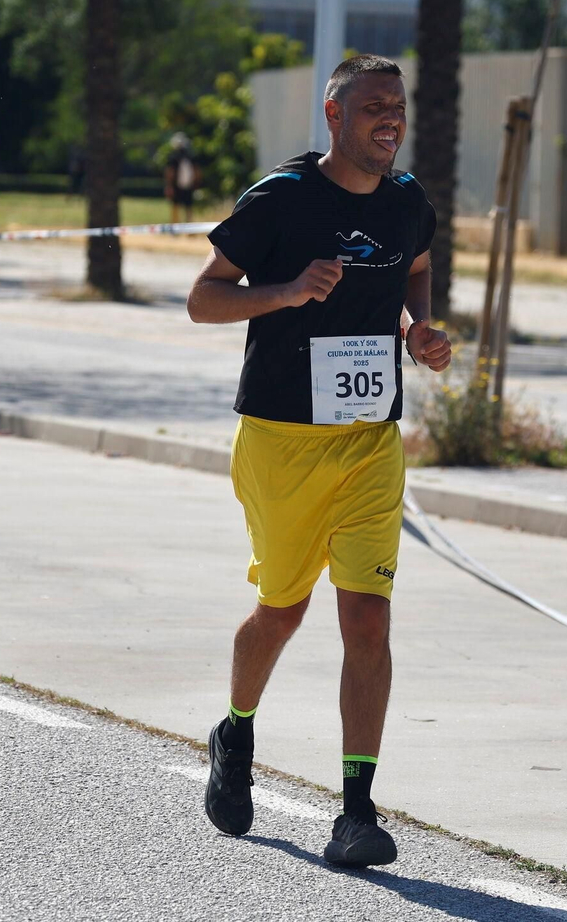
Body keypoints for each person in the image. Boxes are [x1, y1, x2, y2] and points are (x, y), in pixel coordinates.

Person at [185, 54, 452, 868]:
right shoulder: (282, 199)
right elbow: (203, 298)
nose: (390, 120)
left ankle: (357, 811)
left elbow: (414, 264)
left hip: (372, 440)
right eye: (374, 106)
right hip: (281, 439)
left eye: (398, 107)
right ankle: (235, 731)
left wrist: (420, 330)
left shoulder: (408, 202)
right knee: (282, 609)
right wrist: (286, 290)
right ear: (334, 116)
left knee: (367, 616)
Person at [164, 132, 200, 224]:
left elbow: (170, 172)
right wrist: (196, 183)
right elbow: (197, 171)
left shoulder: (173, 157)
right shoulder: (191, 156)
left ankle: (175, 227)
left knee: (175, 206)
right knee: (189, 207)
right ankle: (190, 228)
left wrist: (169, 186)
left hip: (176, 185)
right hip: (189, 184)